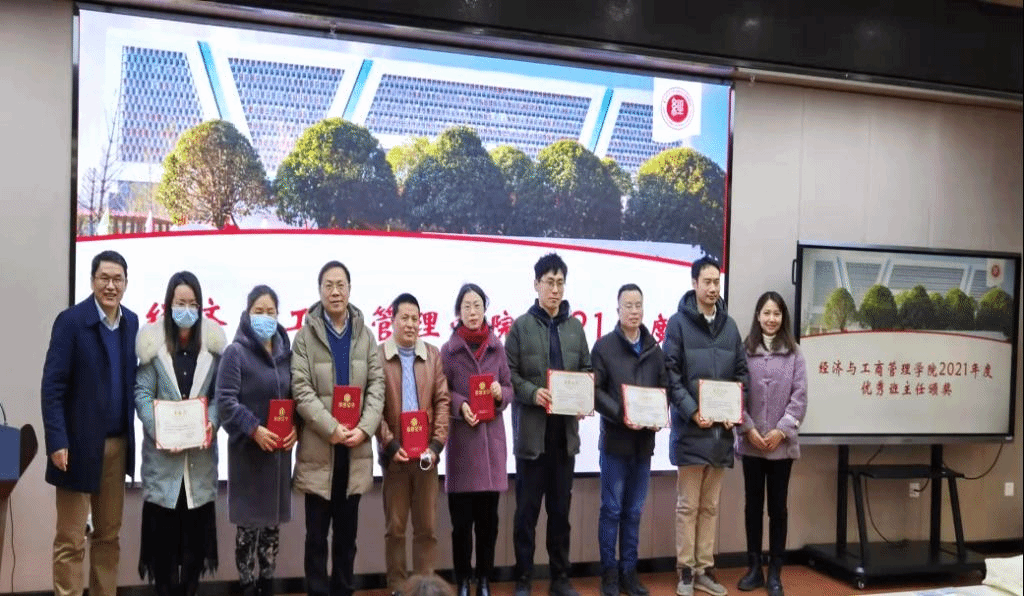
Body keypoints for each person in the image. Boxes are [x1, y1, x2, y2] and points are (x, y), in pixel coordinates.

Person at [41, 250, 139, 596]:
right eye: (104, 278)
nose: (111, 286)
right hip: (77, 446)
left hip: (117, 445)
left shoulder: (131, 323)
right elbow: (52, 387)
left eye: (117, 279)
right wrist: (57, 440)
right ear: (93, 280)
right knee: (71, 539)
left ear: (125, 283)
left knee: (108, 537)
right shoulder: (71, 322)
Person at [292, 261, 385, 596]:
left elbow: (377, 386)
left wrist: (365, 428)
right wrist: (330, 428)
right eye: (328, 285)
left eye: (340, 285)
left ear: (349, 289)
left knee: (347, 538)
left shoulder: (365, 335)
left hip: (355, 449)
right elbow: (301, 389)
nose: (335, 291)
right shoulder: (305, 337)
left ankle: (344, 590)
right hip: (320, 449)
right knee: (316, 538)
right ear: (319, 291)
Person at [505, 253, 591, 596]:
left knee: (560, 513)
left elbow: (586, 370)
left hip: (563, 438)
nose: (555, 289)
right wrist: (532, 392)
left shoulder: (575, 328)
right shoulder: (520, 327)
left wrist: (583, 398)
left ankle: (560, 579)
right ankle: (524, 578)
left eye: (560, 283)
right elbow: (509, 376)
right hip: (532, 437)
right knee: (526, 514)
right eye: (549, 282)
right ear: (536, 284)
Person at [135, 271, 225, 596]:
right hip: (163, 467)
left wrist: (210, 423)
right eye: (180, 303)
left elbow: (220, 397)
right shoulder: (153, 346)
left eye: (192, 304)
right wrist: (159, 429)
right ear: (168, 304)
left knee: (193, 556)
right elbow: (142, 393)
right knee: (163, 557)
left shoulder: (213, 348)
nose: (186, 310)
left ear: (200, 307)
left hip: (199, 468)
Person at [664, 256, 749, 596]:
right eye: (707, 282)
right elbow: (671, 374)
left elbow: (742, 374)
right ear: (694, 283)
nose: (713, 288)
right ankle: (685, 570)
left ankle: (704, 569)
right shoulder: (677, 324)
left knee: (710, 507)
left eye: (717, 282)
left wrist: (735, 409)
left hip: (720, 435)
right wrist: (691, 410)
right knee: (688, 506)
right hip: (690, 430)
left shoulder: (730, 327)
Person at [216, 285, 298, 596]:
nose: (265, 317)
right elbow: (226, 401)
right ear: (247, 314)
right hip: (248, 456)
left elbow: (296, 397)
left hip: (277, 456)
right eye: (258, 311)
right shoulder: (235, 353)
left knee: (271, 531)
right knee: (248, 531)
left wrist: (297, 428)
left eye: (270, 312)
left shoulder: (286, 354)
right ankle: (247, 586)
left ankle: (267, 583)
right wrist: (254, 429)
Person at [592, 284, 667, 596]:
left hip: (643, 445)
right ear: (618, 310)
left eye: (638, 305)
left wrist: (659, 414)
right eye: (628, 305)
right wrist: (622, 412)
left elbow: (664, 390)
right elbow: (595, 391)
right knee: (611, 510)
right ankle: (609, 573)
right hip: (615, 443)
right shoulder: (604, 347)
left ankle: (629, 573)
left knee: (634, 512)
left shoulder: (654, 350)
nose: (634, 311)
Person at [440, 284, 512, 596]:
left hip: (491, 446)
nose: (472, 312)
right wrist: (460, 405)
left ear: (485, 309)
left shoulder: (497, 348)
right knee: (461, 526)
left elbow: (509, 387)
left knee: (488, 524)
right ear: (459, 311)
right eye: (467, 306)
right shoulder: (448, 350)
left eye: (478, 305)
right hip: (463, 446)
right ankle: (463, 580)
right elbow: (441, 391)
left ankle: (483, 578)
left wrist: (499, 393)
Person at [377, 293, 451, 594]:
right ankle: (397, 586)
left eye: (415, 319)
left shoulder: (432, 355)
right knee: (395, 529)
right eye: (404, 318)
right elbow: (374, 407)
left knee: (427, 529)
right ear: (392, 320)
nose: (410, 324)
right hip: (395, 457)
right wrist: (390, 444)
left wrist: (436, 445)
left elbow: (443, 401)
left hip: (426, 459)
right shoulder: (379, 357)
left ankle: (425, 588)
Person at [734, 292, 807, 596]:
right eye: (766, 313)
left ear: (783, 317)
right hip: (751, 443)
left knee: (778, 509)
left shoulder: (795, 353)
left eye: (776, 313)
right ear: (758, 316)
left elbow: (799, 397)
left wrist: (781, 431)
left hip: (781, 446)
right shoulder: (744, 350)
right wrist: (748, 428)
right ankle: (754, 569)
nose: (771, 319)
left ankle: (775, 571)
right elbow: (735, 392)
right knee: (753, 507)